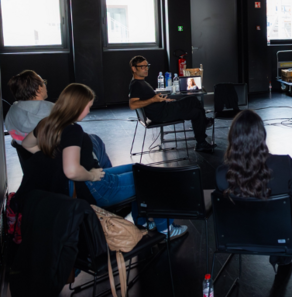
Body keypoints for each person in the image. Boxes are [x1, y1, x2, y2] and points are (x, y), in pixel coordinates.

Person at [21, 83, 186, 238]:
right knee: (154, 179)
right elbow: (71, 171)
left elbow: (26, 145)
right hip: (96, 186)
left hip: (90, 181)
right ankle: (167, 229)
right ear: (78, 106)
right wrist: (91, 175)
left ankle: (142, 222)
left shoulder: (46, 123)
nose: (89, 111)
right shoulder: (72, 130)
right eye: (88, 106)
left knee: (138, 169)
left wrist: (54, 159)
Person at [216, 109, 292, 268]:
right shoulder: (284, 164)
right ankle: (282, 258)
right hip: (281, 238)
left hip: (240, 238)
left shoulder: (221, 174)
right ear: (262, 136)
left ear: (232, 138)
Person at [7, 70, 111, 168]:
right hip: (61, 159)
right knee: (94, 140)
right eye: (43, 82)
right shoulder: (52, 110)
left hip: (34, 163)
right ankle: (104, 175)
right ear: (38, 89)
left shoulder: (12, 111)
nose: (45, 85)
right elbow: (71, 133)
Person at [128, 56, 214, 153]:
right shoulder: (136, 84)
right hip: (162, 114)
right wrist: (153, 99)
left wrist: (162, 100)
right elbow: (132, 105)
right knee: (192, 99)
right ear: (134, 68)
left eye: (147, 66)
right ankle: (205, 122)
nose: (146, 69)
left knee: (197, 112)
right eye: (142, 67)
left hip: (163, 110)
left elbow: (149, 99)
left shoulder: (141, 82)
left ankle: (201, 143)